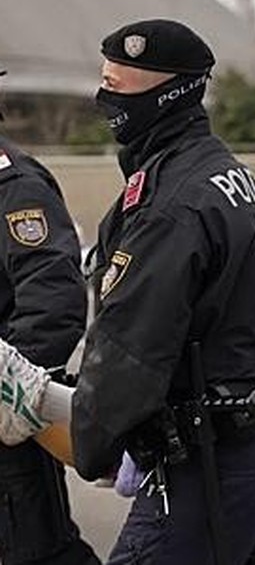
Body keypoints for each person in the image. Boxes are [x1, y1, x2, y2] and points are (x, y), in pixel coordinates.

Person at [62, 18, 255, 565]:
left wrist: (91, 442)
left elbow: (131, 343)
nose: (104, 96)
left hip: (206, 463)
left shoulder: (173, 203)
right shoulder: (234, 180)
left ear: (167, 93)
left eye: (117, 85)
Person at [0, 71, 100, 564]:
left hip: (7, 429)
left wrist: (7, 391)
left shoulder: (15, 187)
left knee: (38, 553)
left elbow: (53, 306)